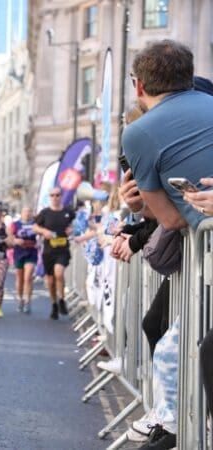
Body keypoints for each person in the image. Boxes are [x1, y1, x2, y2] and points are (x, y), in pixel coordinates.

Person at [121, 41, 213, 449]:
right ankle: (175, 423)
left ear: (138, 86)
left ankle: (178, 425)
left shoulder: (137, 132)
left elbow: (171, 219)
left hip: (205, 258)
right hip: (202, 260)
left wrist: (146, 202)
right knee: (186, 343)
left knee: (195, 349)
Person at [33, 187, 75, 320]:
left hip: (62, 249)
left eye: (57, 195)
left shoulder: (68, 212)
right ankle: (54, 304)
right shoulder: (45, 213)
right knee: (50, 281)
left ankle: (62, 299)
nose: (55, 197)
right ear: (49, 197)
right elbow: (34, 227)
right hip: (49, 250)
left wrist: (71, 229)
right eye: (52, 195)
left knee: (59, 273)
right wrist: (43, 231)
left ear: (61, 196)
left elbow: (78, 224)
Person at [9, 206, 37, 313]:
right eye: (25, 211)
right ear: (21, 213)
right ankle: (20, 299)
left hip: (31, 251)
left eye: (29, 211)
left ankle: (28, 301)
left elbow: (42, 234)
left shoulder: (35, 224)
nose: (27, 213)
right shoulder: (16, 224)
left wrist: (39, 242)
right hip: (19, 252)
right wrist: (15, 240)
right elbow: (9, 236)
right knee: (20, 278)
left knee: (28, 277)